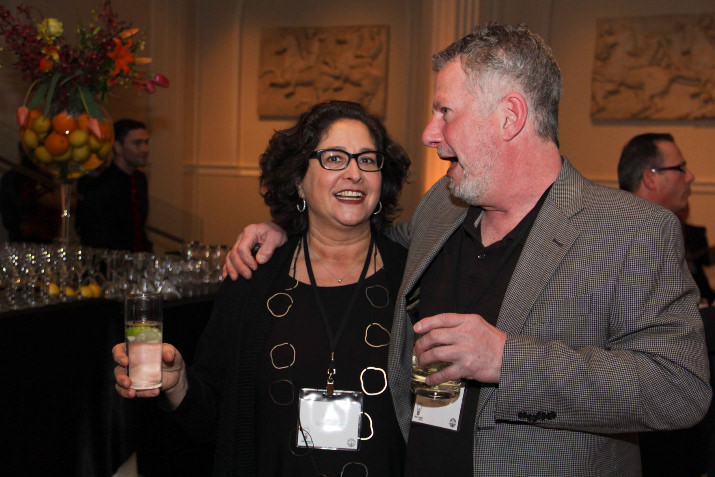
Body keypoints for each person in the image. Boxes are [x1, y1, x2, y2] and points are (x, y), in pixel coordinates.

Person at [224, 23, 712, 476]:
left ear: (510, 116)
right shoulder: (445, 205)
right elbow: (381, 245)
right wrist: (289, 228)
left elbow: (680, 387)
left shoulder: (630, 230)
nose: (428, 133)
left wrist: (507, 360)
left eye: (444, 112)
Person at [113, 101, 411, 475]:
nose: (354, 173)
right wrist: (178, 385)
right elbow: (212, 417)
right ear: (298, 178)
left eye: (368, 159)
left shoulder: (413, 278)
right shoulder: (254, 278)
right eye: (334, 158)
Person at [618, 132, 714, 305]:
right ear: (651, 178)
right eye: (680, 168)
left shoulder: (659, 230)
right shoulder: (631, 241)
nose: (690, 176)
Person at [76, 118, 153, 252]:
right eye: (137, 143)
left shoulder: (140, 179)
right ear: (117, 146)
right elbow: (92, 233)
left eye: (146, 143)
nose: (145, 149)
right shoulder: (99, 183)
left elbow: (139, 227)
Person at [0, 146, 61, 243]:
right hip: (30, 235)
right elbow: (56, 202)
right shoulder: (23, 178)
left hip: (43, 235)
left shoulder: (41, 176)